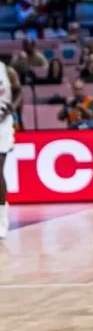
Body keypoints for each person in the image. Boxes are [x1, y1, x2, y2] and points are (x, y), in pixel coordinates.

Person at [0, 63, 23, 238]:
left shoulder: (7, 70)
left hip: (2, 125)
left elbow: (19, 91)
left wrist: (12, 106)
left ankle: (1, 218)